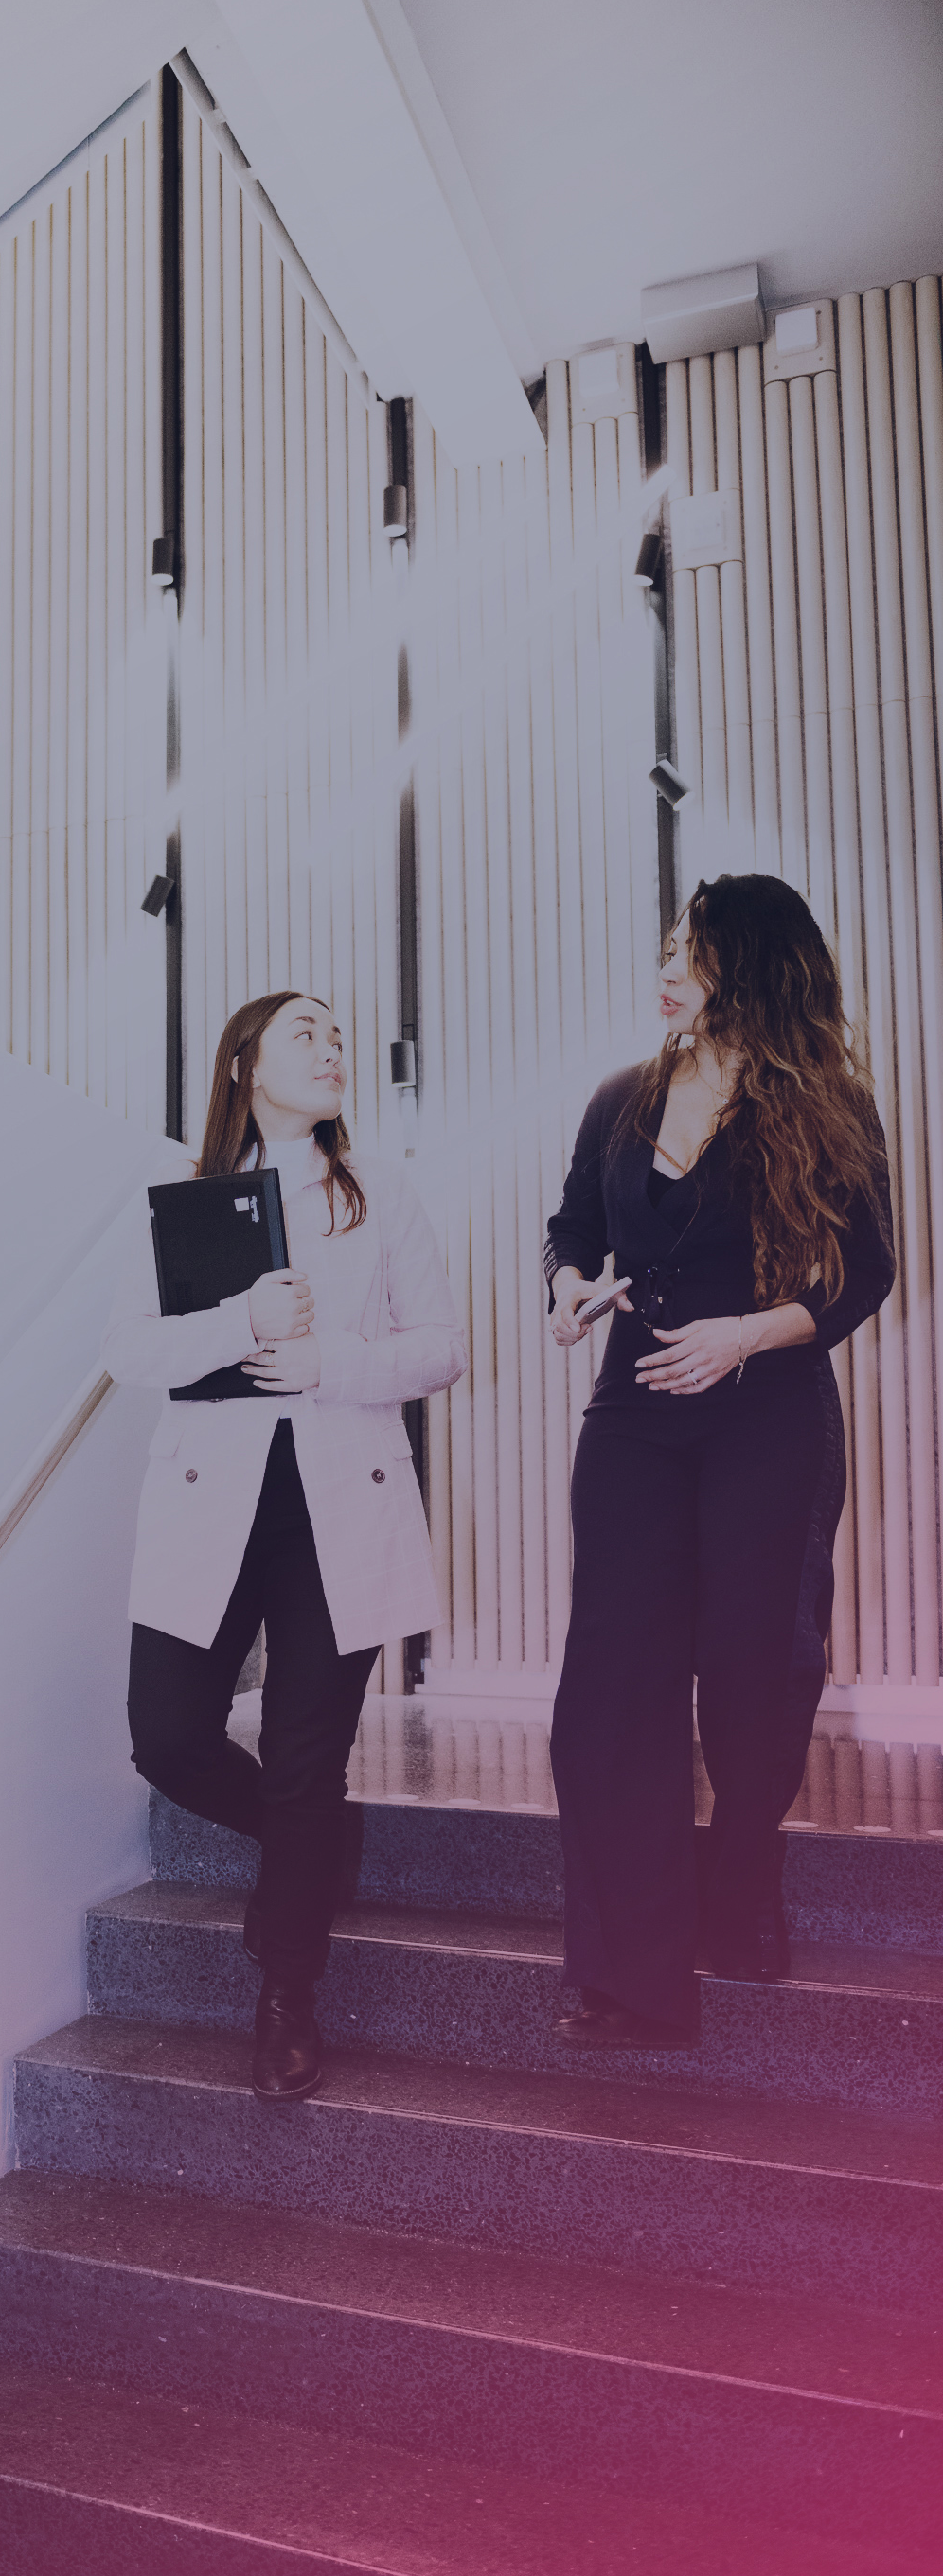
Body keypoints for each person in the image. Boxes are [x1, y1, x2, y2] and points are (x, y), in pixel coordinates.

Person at [544, 875, 894, 2049]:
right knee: (607, 1690)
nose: (663, 965)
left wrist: (744, 1331)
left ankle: (738, 1881)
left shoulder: (828, 1105)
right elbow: (571, 1230)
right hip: (633, 1419)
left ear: (743, 968)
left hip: (767, 1416)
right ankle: (625, 1971)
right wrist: (568, 1292)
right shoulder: (618, 1098)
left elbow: (863, 1275)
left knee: (754, 1677)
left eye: (685, 950)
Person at [102, 990, 466, 2102]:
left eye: (339, 1037)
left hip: (334, 1498)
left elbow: (440, 1347)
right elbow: (127, 1350)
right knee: (165, 1736)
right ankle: (308, 1840)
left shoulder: (378, 1193)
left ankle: (285, 1994)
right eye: (306, 1032)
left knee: (308, 1759)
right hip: (210, 1496)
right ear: (242, 1065)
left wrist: (328, 1366)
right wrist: (243, 1325)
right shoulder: (182, 1201)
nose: (332, 1048)